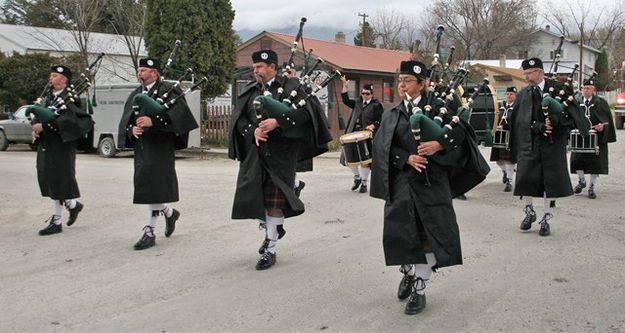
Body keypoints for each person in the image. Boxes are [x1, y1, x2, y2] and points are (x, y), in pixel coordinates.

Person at [370, 61, 488, 315]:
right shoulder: (392, 113)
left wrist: (439, 145)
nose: (401, 85)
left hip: (432, 183)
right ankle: (411, 272)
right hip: (402, 184)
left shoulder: (439, 107)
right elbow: (382, 148)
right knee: (403, 235)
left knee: (430, 237)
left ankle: (419, 288)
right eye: (399, 80)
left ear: (422, 83)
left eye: (407, 81)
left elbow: (462, 133)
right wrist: (405, 159)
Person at [228, 49, 332, 270]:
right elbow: (239, 120)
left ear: (272, 67)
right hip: (255, 157)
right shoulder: (251, 91)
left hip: (281, 155)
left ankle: (270, 249)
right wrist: (253, 131)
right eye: (254, 67)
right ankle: (273, 229)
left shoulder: (292, 88)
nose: (255, 71)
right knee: (256, 201)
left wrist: (279, 122)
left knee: (274, 204)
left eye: (259, 67)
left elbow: (306, 116)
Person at [118, 57, 198, 250]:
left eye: (144, 70)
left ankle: (150, 231)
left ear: (155, 73)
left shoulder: (169, 90)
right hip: (143, 148)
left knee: (155, 188)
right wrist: (131, 131)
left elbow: (181, 117)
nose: (140, 73)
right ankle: (169, 213)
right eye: (139, 70)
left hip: (161, 146)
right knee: (148, 187)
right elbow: (126, 121)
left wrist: (154, 122)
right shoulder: (136, 94)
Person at [509, 57, 578, 236]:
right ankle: (529, 211)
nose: (526, 77)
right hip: (530, 143)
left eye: (529, 74)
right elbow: (517, 121)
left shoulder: (560, 90)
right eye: (525, 74)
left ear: (539, 72)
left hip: (553, 145)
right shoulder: (523, 94)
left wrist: (556, 121)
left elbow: (572, 116)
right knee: (526, 179)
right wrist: (537, 126)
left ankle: (547, 217)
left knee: (550, 181)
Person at [32, 65, 94, 236]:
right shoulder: (48, 98)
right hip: (47, 145)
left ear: (64, 80)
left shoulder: (70, 99)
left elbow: (70, 122)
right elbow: (39, 115)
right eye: (51, 75)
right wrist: (35, 129)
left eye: (54, 76)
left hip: (62, 146)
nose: (51, 78)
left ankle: (57, 221)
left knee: (59, 180)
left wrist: (45, 126)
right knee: (50, 178)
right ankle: (73, 205)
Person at [570, 77, 617, 199]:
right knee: (577, 160)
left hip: (596, 138)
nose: (586, 91)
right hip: (580, 137)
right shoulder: (575, 101)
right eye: (584, 88)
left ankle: (591, 187)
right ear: (581, 89)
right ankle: (581, 181)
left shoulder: (601, 102)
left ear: (593, 90)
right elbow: (570, 117)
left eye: (588, 88)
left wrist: (603, 126)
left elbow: (607, 120)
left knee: (595, 163)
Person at [339, 76, 384, 193]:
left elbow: (380, 120)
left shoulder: (376, 105)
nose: (364, 95)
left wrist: (373, 126)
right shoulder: (357, 102)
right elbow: (345, 100)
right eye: (363, 93)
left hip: (367, 135)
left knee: (365, 160)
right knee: (350, 157)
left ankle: (364, 183)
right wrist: (345, 85)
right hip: (353, 132)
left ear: (372, 94)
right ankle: (357, 178)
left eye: (367, 94)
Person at [490, 86, 517, 192]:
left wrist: (509, 126)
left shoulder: (517, 107)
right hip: (499, 135)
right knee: (498, 160)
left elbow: (519, 120)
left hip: (511, 136)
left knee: (509, 160)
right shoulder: (500, 106)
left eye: (511, 94)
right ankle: (505, 172)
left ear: (515, 96)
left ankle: (509, 182)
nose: (509, 96)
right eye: (508, 94)